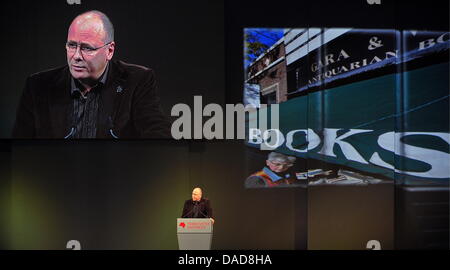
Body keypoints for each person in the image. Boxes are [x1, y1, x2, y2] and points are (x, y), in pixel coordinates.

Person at [13, 10, 171, 139]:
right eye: (71, 45)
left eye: (87, 48)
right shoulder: (38, 86)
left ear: (109, 51)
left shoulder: (136, 81)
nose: (76, 56)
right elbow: (18, 151)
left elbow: (158, 140)